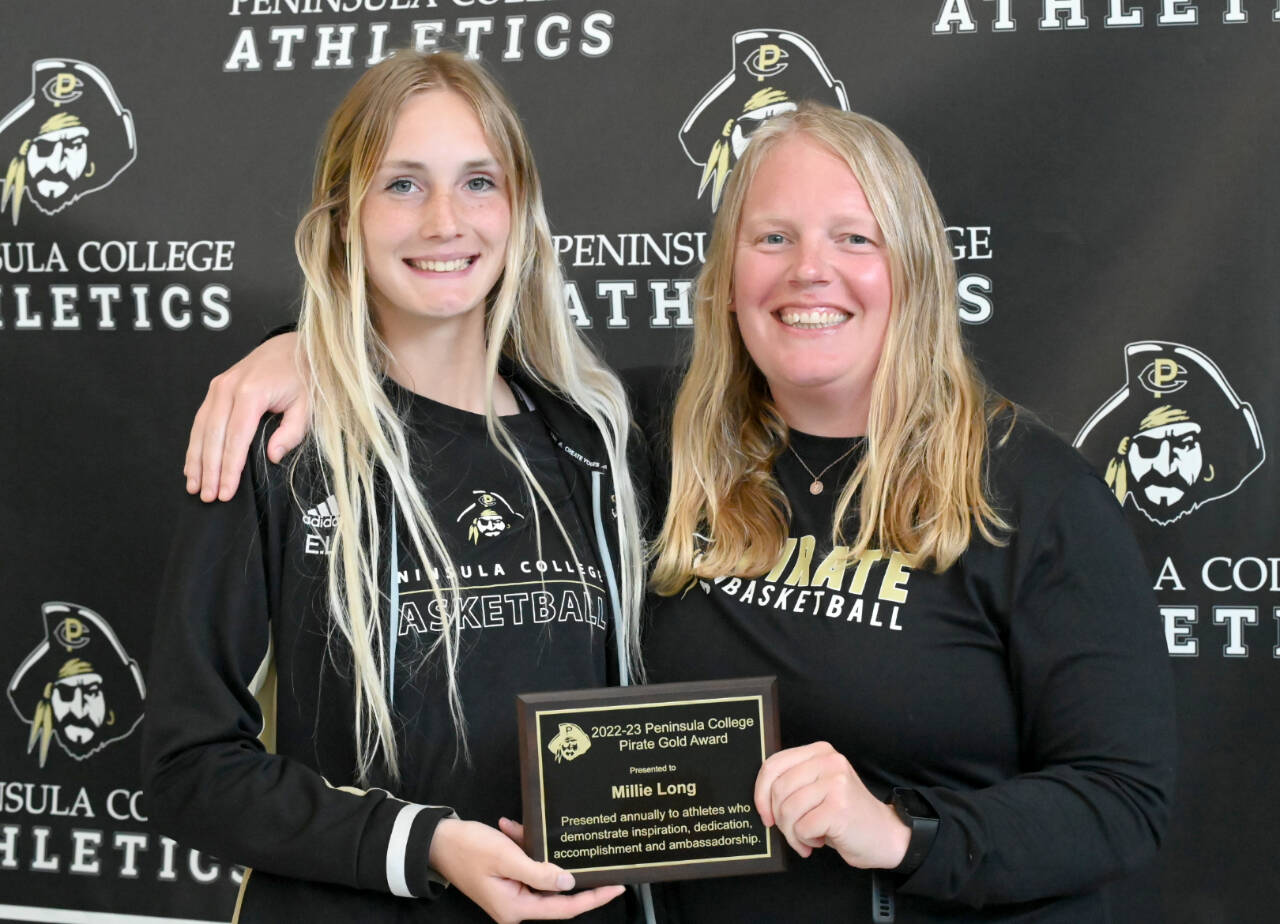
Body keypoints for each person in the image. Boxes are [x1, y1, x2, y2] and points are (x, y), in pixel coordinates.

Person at [181, 102, 1176, 923]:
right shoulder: (643, 439)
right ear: (727, 278)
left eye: (853, 239)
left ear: (911, 268)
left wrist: (902, 836)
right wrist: (308, 348)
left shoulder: (1029, 492)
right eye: (770, 238)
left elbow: (1122, 802)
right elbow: (447, 366)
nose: (807, 273)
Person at [142, 50, 645, 924]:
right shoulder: (276, 438)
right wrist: (426, 846)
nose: (446, 221)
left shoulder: (598, 442)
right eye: (403, 185)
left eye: (479, 182)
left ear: (520, 208)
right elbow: (188, 771)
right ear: (344, 217)